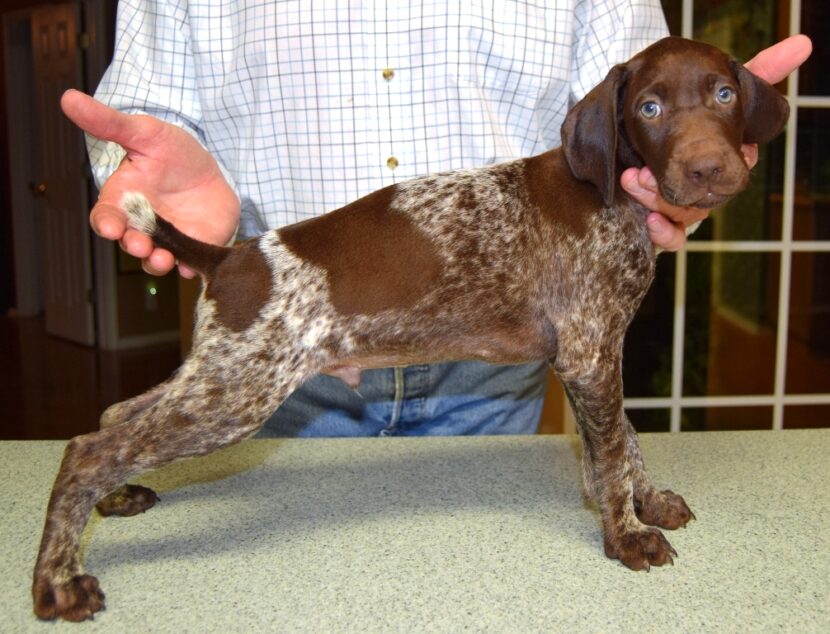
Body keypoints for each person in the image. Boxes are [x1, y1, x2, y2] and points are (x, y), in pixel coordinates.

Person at [61, 1, 811, 437]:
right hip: (294, 338)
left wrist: (689, 160)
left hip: (497, 381)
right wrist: (159, 170)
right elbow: (140, 109)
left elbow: (641, 112)